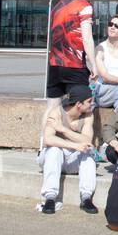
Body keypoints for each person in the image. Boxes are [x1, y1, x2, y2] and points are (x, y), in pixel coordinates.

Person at [37, 87, 99, 215]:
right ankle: (50, 198)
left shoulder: (88, 115)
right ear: (78, 104)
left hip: (72, 161)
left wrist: (63, 130)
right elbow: (48, 140)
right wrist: (74, 144)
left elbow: (87, 140)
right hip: (51, 158)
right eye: (89, 101)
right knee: (54, 149)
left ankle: (86, 198)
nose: (91, 104)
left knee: (87, 154)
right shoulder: (57, 112)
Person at [46, 0, 97, 119]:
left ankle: (45, 141)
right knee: (85, 107)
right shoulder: (85, 6)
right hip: (74, 65)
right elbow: (87, 38)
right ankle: (82, 140)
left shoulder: (58, 5)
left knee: (52, 108)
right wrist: (93, 65)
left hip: (54, 64)